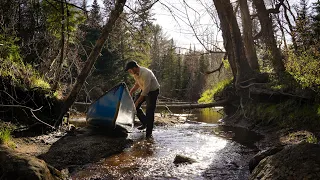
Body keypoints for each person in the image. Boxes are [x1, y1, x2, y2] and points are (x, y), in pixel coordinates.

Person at [125, 60, 160, 138]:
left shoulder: (146, 73)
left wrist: (137, 102)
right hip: (144, 89)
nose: (129, 72)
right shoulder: (135, 74)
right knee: (135, 107)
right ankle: (145, 123)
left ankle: (149, 134)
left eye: (130, 70)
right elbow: (137, 84)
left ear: (134, 68)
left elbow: (145, 92)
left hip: (153, 91)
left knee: (149, 111)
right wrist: (130, 92)